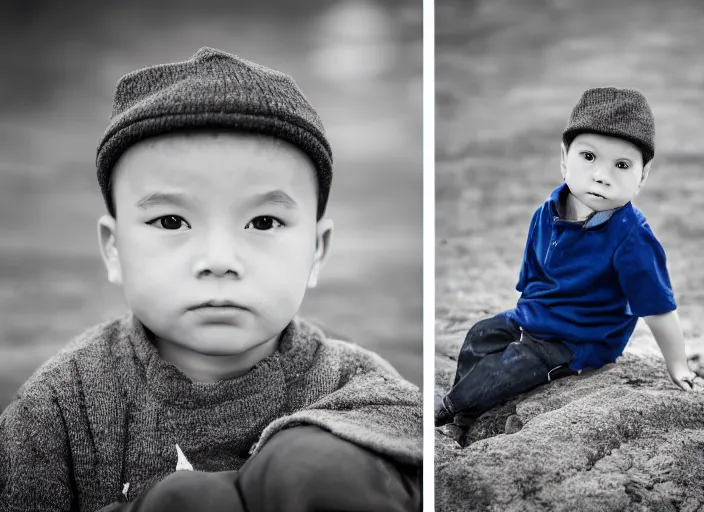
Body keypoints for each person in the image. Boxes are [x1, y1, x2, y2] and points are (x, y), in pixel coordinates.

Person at [0, 47, 422, 512]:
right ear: (113, 248)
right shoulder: (58, 410)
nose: (219, 260)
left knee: (315, 464)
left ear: (317, 251)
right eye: (171, 222)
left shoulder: (360, 392)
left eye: (263, 223)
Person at [436, 86, 699, 428]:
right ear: (564, 159)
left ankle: (454, 412)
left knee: (508, 368)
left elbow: (659, 308)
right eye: (589, 157)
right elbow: (532, 276)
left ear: (642, 177)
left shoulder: (632, 237)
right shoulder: (546, 213)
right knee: (479, 335)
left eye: (622, 165)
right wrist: (520, 321)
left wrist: (677, 365)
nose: (602, 176)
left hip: (579, 339)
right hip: (536, 315)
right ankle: (464, 398)